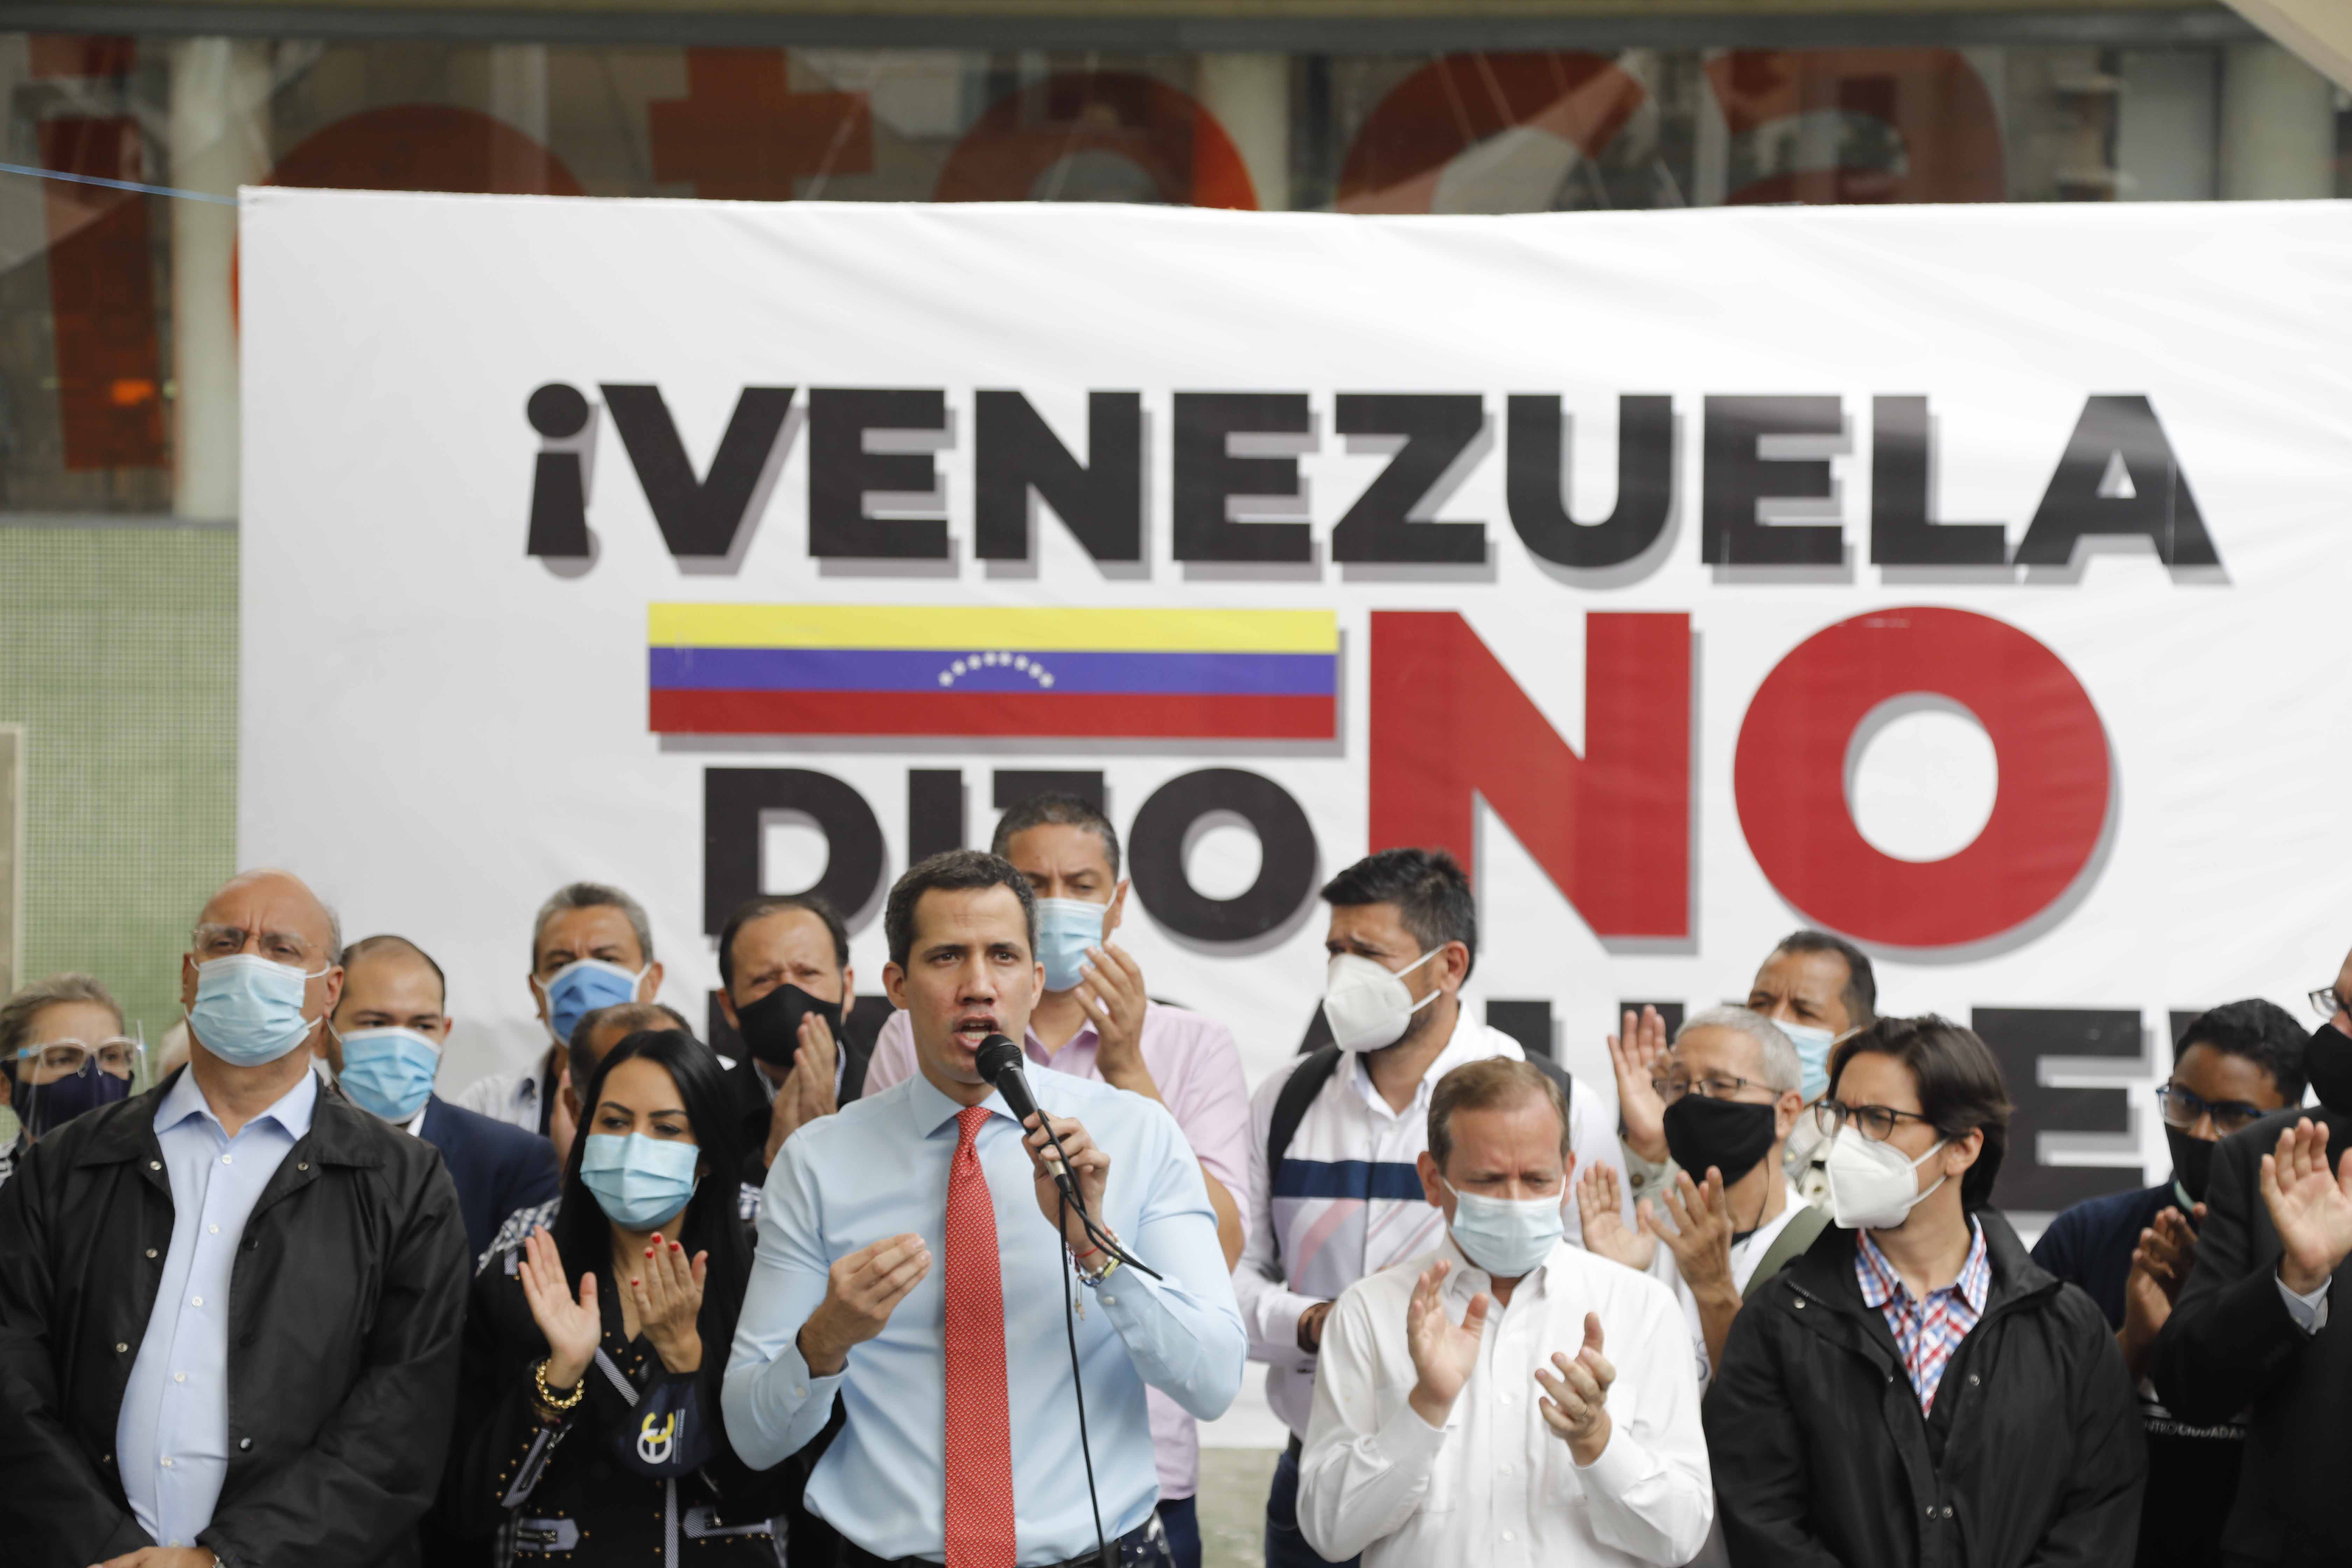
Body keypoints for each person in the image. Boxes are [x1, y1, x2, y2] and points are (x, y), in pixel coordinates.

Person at [722, 848, 1244, 1568]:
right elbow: (753, 1437)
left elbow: (1213, 1382)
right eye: (946, 957)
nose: (978, 985)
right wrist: (825, 1341)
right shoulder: (818, 1162)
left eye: (1003, 956)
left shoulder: (1138, 1135)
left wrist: (1097, 1251)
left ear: (1035, 981)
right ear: (897, 986)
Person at [0, 868, 469, 1566]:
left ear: (330, 989)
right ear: (189, 976)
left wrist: (228, 1558)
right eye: (225, 943)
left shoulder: (403, 1181)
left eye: (281, 948)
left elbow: (401, 1418)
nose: (249, 961)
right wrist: (103, 1548)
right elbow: (12, 1376)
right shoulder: (69, 1163)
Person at [863, 791, 1252, 1567]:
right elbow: (880, 1215)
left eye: (1081, 884)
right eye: (1035, 884)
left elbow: (1226, 1247)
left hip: (1137, 1470)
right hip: (946, 1469)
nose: (1058, 902)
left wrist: (1129, 1070)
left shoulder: (1194, 1044)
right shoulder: (920, 1037)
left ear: (1118, 901)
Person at [1237, 846, 1626, 1568]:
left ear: (1449, 965)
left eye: (1368, 953)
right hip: (1322, 1469)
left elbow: (1606, 1294)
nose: (1343, 973)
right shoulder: (1287, 1100)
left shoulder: (1558, 1104)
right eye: (1335, 951)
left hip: (1490, 1477)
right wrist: (1320, 1325)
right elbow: (1228, 1284)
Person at [1706, 1015, 2144, 1568]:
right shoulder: (1780, 1319)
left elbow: (2098, 1517)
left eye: (1879, 1120)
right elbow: (1762, 1518)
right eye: (1840, 1116)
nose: (1847, 1142)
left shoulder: (2068, 1330)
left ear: (1962, 1148)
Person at [1296, 1057, 1711, 1568]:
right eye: (1488, 1180)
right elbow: (1330, 1532)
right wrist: (1426, 1407)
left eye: (1537, 1180)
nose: (1515, 1201)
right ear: (1432, 1179)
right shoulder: (1369, 1311)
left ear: (1567, 1175)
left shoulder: (1641, 1308)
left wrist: (1596, 1439)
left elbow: (1680, 1537)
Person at [444, 1028, 796, 1562]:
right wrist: (558, 1378)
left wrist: (687, 1361)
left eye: (666, 1129)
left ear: (707, 1155)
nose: (635, 1146)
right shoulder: (522, 1280)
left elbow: (771, 1492)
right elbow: (466, 1508)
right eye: (614, 1122)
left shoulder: (762, 1280)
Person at [2030, 999, 2302, 1568]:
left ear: (2293, 1118)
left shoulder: (2317, 1258)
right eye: (2185, 1103)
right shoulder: (2084, 1238)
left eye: (2234, 1115)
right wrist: (2134, 1342)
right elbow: (2021, 1438)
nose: (2202, 1133)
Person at [2150, 947, 2352, 1566]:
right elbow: (2188, 1384)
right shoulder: (2272, 1156)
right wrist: (2296, 1280)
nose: (2334, 1031)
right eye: (2338, 1003)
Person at [1575, 1007, 1821, 1393]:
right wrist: (1621, 1283)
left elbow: (1793, 1412)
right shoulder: (1642, 1238)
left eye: (1721, 1085)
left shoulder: (1824, 1251)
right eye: (1678, 1085)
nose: (1694, 1100)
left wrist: (1714, 1290)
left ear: (1786, 1112)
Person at [316, 933, 562, 1261]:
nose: (401, 1045)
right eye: (375, 1023)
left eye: (422, 1026)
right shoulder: (285, 1146)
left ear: (445, 1033)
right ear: (322, 1033)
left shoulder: (514, 1162)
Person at [1609, 930, 1876, 1211]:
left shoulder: (1868, 1162)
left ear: (1854, 1040)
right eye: (1761, 1003)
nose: (1773, 1021)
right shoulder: (1696, 1122)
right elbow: (1633, 1233)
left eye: (1804, 1012)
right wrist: (1650, 1149)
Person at [455, 881, 665, 1168]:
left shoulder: (715, 1087)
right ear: (536, 990)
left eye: (608, 959)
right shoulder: (485, 1108)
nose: (583, 980)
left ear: (652, 980)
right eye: (561, 965)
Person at [715, 891, 874, 1176]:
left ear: (847, 988)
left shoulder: (894, 1097)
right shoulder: (703, 1109)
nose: (788, 994)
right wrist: (771, 1165)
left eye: (808, 973)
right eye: (764, 979)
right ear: (729, 1006)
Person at [0, 973, 139, 1186]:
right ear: (5, 1085)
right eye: (63, 1059)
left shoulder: (160, 1181)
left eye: (111, 1057)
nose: (94, 1078)